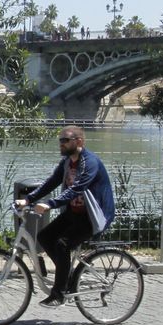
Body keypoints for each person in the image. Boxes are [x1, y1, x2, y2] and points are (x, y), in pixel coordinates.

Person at [18, 125, 116, 306]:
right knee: (45, 237)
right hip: (74, 213)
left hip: (93, 216)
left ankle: (59, 293)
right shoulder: (67, 162)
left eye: (65, 140)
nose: (61, 144)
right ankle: (68, 277)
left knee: (62, 245)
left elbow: (77, 187)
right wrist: (29, 199)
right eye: (60, 140)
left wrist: (50, 204)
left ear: (79, 141)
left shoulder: (90, 162)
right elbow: (52, 182)